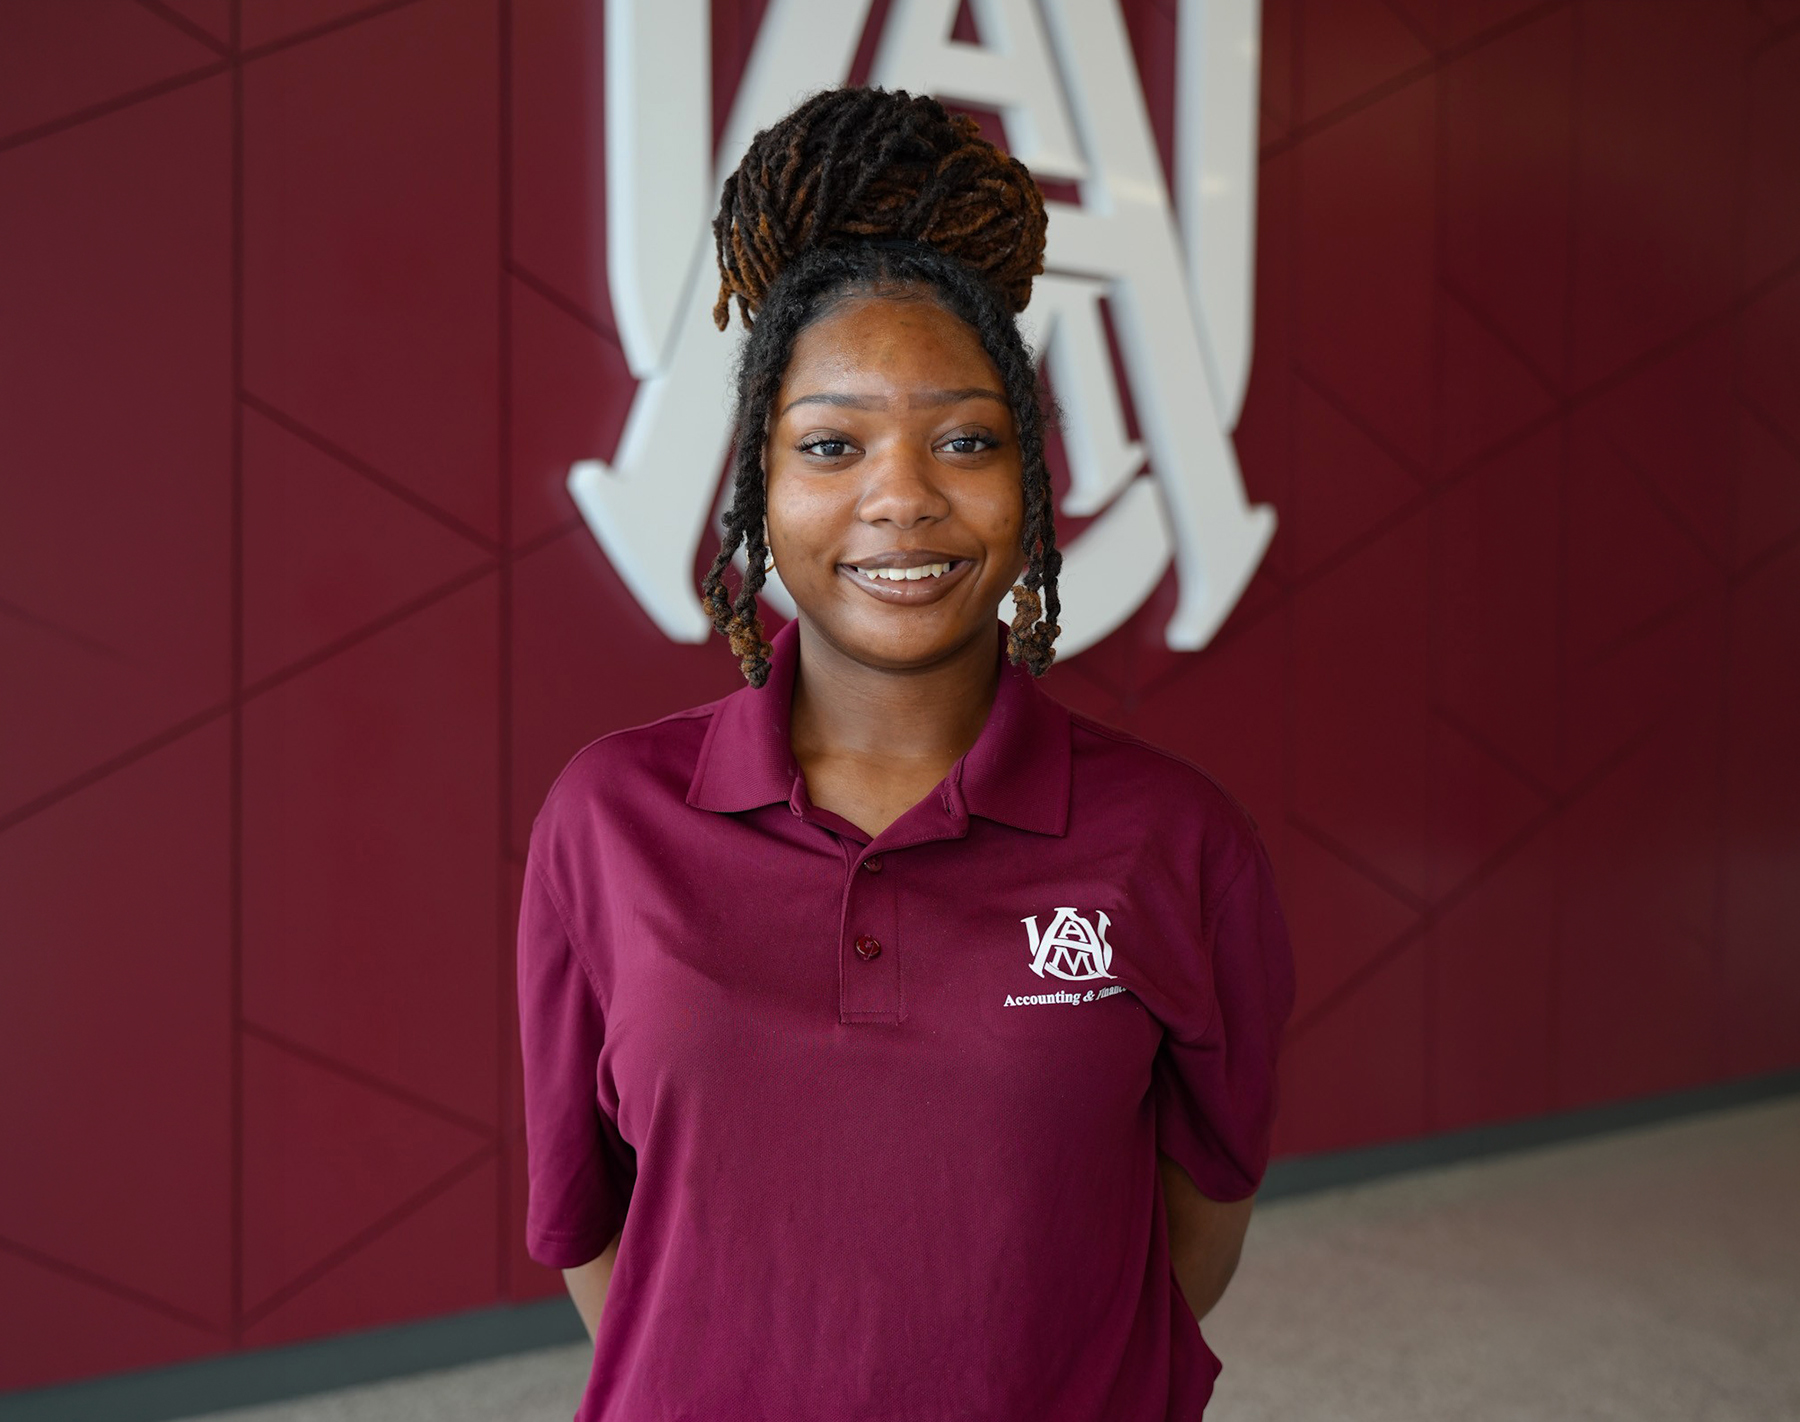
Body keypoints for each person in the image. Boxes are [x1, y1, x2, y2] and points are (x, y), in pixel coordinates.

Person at [516, 85, 1297, 1422]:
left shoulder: (1178, 842)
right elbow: (600, 1240)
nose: (901, 497)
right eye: (832, 444)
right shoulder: (609, 819)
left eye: (965, 440)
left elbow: (1195, 1228)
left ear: (1029, 479)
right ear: (759, 484)